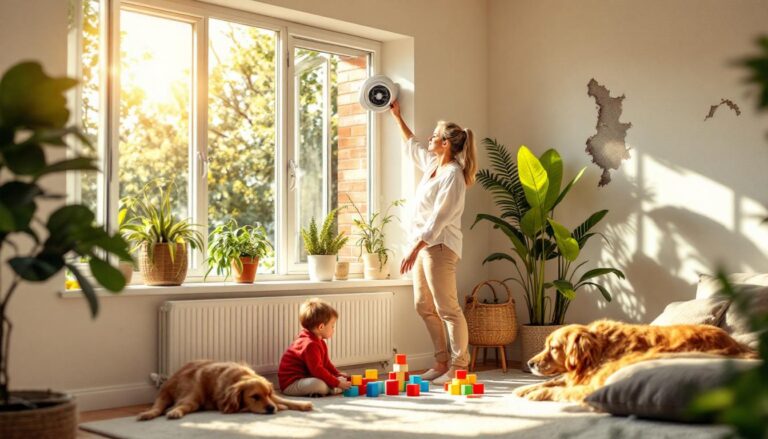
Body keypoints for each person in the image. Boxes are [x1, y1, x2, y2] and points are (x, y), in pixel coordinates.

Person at [388, 100, 477, 386]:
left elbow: (440, 218)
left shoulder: (453, 176)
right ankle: (441, 362)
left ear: (447, 144)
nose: (430, 138)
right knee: (422, 305)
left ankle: (460, 366)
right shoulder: (432, 166)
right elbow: (412, 144)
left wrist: (415, 248)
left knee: (447, 307)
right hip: (424, 246)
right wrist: (397, 116)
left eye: (435, 135)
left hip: (439, 247)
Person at [279, 298, 351, 396]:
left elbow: (326, 364)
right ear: (321, 327)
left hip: (306, 378)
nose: (333, 329)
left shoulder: (320, 342)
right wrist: (337, 383)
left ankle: (332, 386)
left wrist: (337, 374)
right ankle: (332, 389)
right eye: (332, 326)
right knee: (319, 385)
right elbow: (318, 370)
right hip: (291, 384)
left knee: (340, 378)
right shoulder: (310, 344)